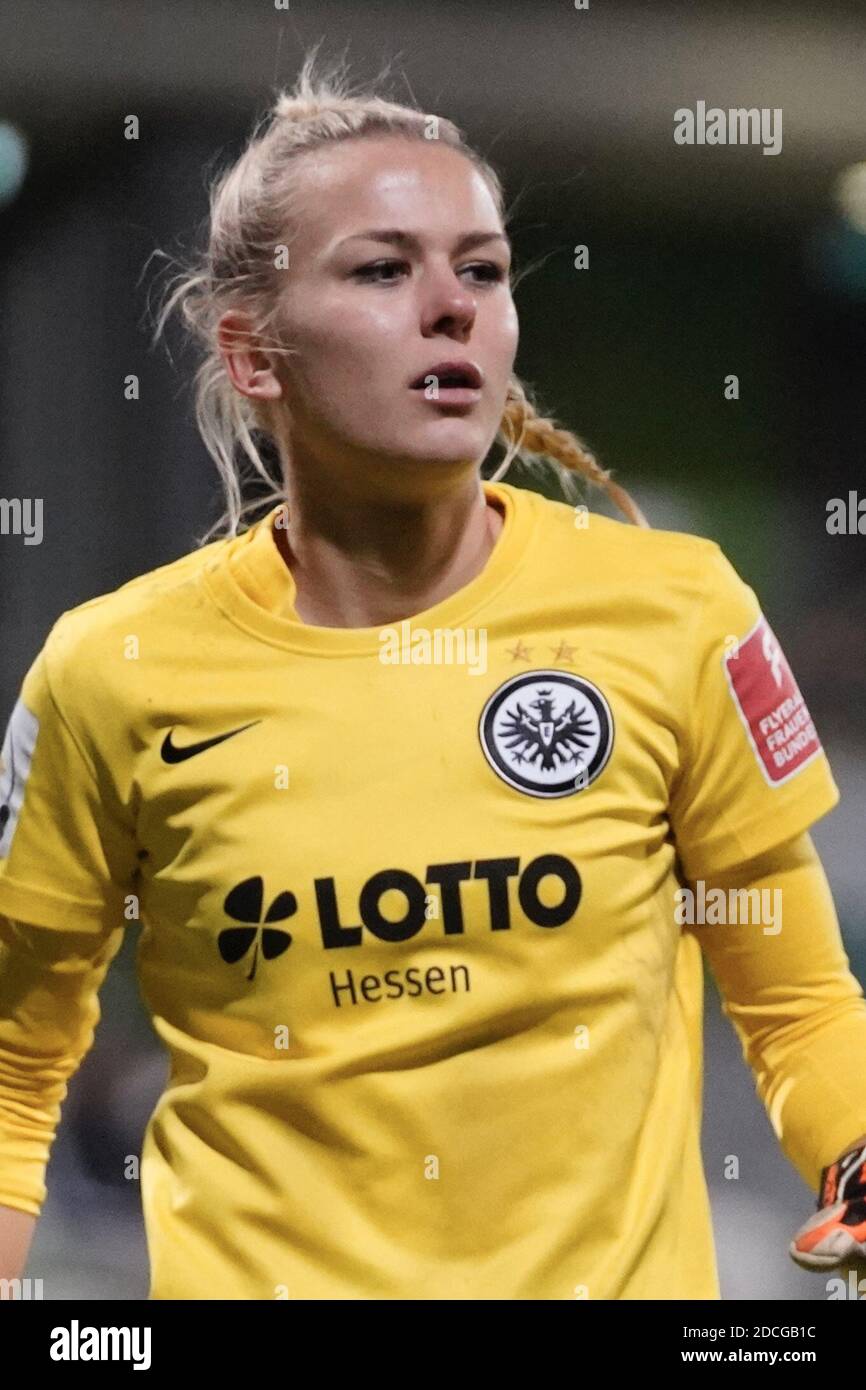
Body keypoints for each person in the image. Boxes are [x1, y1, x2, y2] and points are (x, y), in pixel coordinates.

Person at [1, 49, 865, 1301]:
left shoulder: (674, 610)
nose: (451, 306)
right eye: (381, 269)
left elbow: (796, 1009)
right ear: (252, 355)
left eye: (481, 269)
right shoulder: (111, 672)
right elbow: (17, 1071)